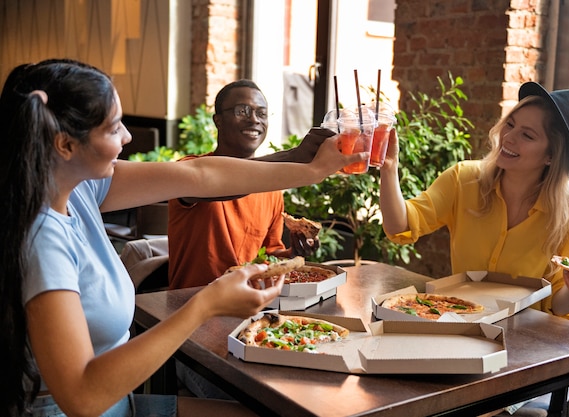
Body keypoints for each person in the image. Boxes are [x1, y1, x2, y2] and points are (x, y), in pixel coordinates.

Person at [0, 59, 366, 417]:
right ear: (65, 146)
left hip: (121, 404)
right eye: (114, 129)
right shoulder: (42, 238)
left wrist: (310, 168)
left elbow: (201, 174)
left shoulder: (79, 188)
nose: (128, 137)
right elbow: (81, 397)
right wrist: (206, 304)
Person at [379, 81, 569, 321]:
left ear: (551, 156)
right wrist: (389, 168)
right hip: (461, 326)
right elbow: (399, 226)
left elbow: (560, 306)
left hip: (526, 339)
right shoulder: (462, 179)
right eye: (510, 125)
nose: (509, 137)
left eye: (527, 135)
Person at [167, 79, 320, 290]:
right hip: (189, 302)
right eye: (243, 111)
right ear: (218, 121)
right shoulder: (191, 169)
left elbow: (270, 254)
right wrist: (294, 158)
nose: (254, 120)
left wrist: (294, 253)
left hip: (247, 303)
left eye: (262, 113)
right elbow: (220, 181)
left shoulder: (271, 188)